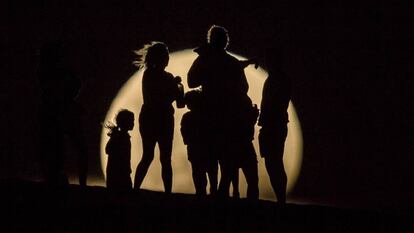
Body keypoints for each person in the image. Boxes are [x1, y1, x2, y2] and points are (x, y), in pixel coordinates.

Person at [187, 25, 258, 199]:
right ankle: (219, 192)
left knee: (219, 158)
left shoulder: (208, 59)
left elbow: (191, 81)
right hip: (223, 116)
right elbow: (244, 88)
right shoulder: (226, 61)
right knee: (223, 158)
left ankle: (217, 192)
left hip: (217, 116)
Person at [133, 42, 184, 193]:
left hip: (160, 118)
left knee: (162, 158)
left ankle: (164, 191)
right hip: (155, 118)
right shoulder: (150, 74)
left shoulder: (164, 76)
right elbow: (157, 97)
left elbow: (179, 102)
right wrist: (175, 86)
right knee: (150, 156)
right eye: (165, 55)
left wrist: (178, 88)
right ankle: (136, 188)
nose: (167, 58)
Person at [258, 48, 292, 205]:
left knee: (274, 162)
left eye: (269, 59)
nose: (267, 63)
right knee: (274, 162)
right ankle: (281, 198)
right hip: (274, 124)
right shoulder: (279, 79)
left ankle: (281, 199)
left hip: (273, 125)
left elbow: (274, 104)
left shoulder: (277, 80)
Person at [180, 89, 218, 196]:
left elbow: (185, 134)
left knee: (198, 175)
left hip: (195, 150)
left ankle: (201, 195)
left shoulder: (187, 117)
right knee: (212, 175)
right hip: (209, 150)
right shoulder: (209, 116)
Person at [105, 109, 134, 191]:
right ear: (125, 122)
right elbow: (108, 150)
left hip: (114, 174)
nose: (133, 123)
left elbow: (107, 150)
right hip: (119, 175)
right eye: (131, 121)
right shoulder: (121, 137)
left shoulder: (118, 136)